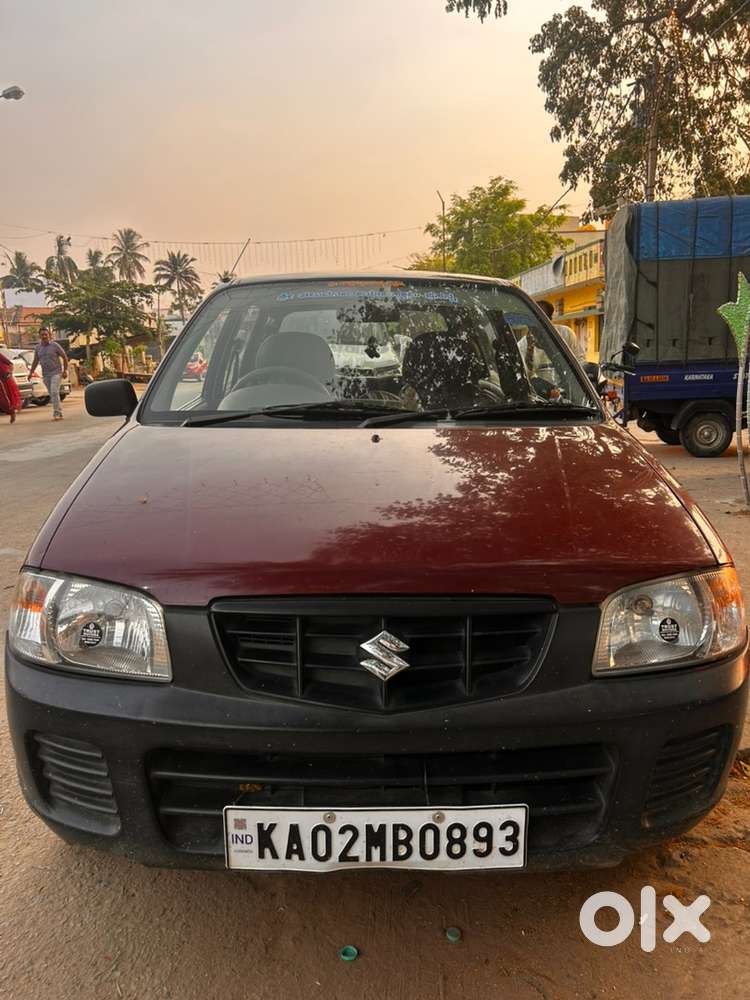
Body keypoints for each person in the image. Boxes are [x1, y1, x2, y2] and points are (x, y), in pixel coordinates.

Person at [30, 327, 68, 421]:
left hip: (56, 372)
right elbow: (35, 361)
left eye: (46, 334)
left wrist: (65, 371)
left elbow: (64, 357)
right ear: (40, 336)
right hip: (46, 374)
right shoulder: (38, 348)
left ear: (49, 335)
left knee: (54, 391)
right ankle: (59, 412)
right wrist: (31, 372)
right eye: (42, 335)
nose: (44, 336)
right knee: (52, 394)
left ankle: (57, 414)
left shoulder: (55, 345)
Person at [0, 348, 22, 424]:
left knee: (4, 400)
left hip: (4, 380)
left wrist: (10, 373)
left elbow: (10, 364)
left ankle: (11, 412)